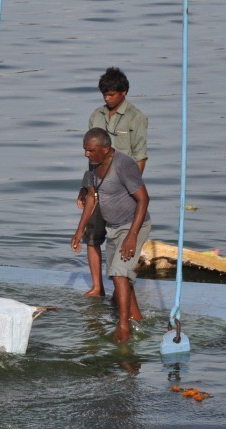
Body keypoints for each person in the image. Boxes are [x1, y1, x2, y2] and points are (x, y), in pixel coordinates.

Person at [75, 67, 149, 297]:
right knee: (92, 236)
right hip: (97, 183)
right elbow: (91, 157)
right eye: (104, 94)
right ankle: (98, 287)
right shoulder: (96, 116)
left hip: (122, 186)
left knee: (123, 239)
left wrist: (128, 189)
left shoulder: (136, 117)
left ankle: (123, 287)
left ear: (123, 93)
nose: (107, 98)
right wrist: (85, 188)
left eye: (111, 94)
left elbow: (140, 156)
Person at [71, 128, 150, 343]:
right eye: (85, 150)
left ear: (106, 149)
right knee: (119, 275)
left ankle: (123, 327)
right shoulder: (94, 163)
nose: (87, 155)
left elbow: (144, 199)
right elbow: (91, 198)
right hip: (113, 227)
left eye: (91, 151)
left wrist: (132, 235)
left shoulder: (123, 165)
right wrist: (79, 231)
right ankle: (137, 319)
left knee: (119, 274)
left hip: (132, 226)